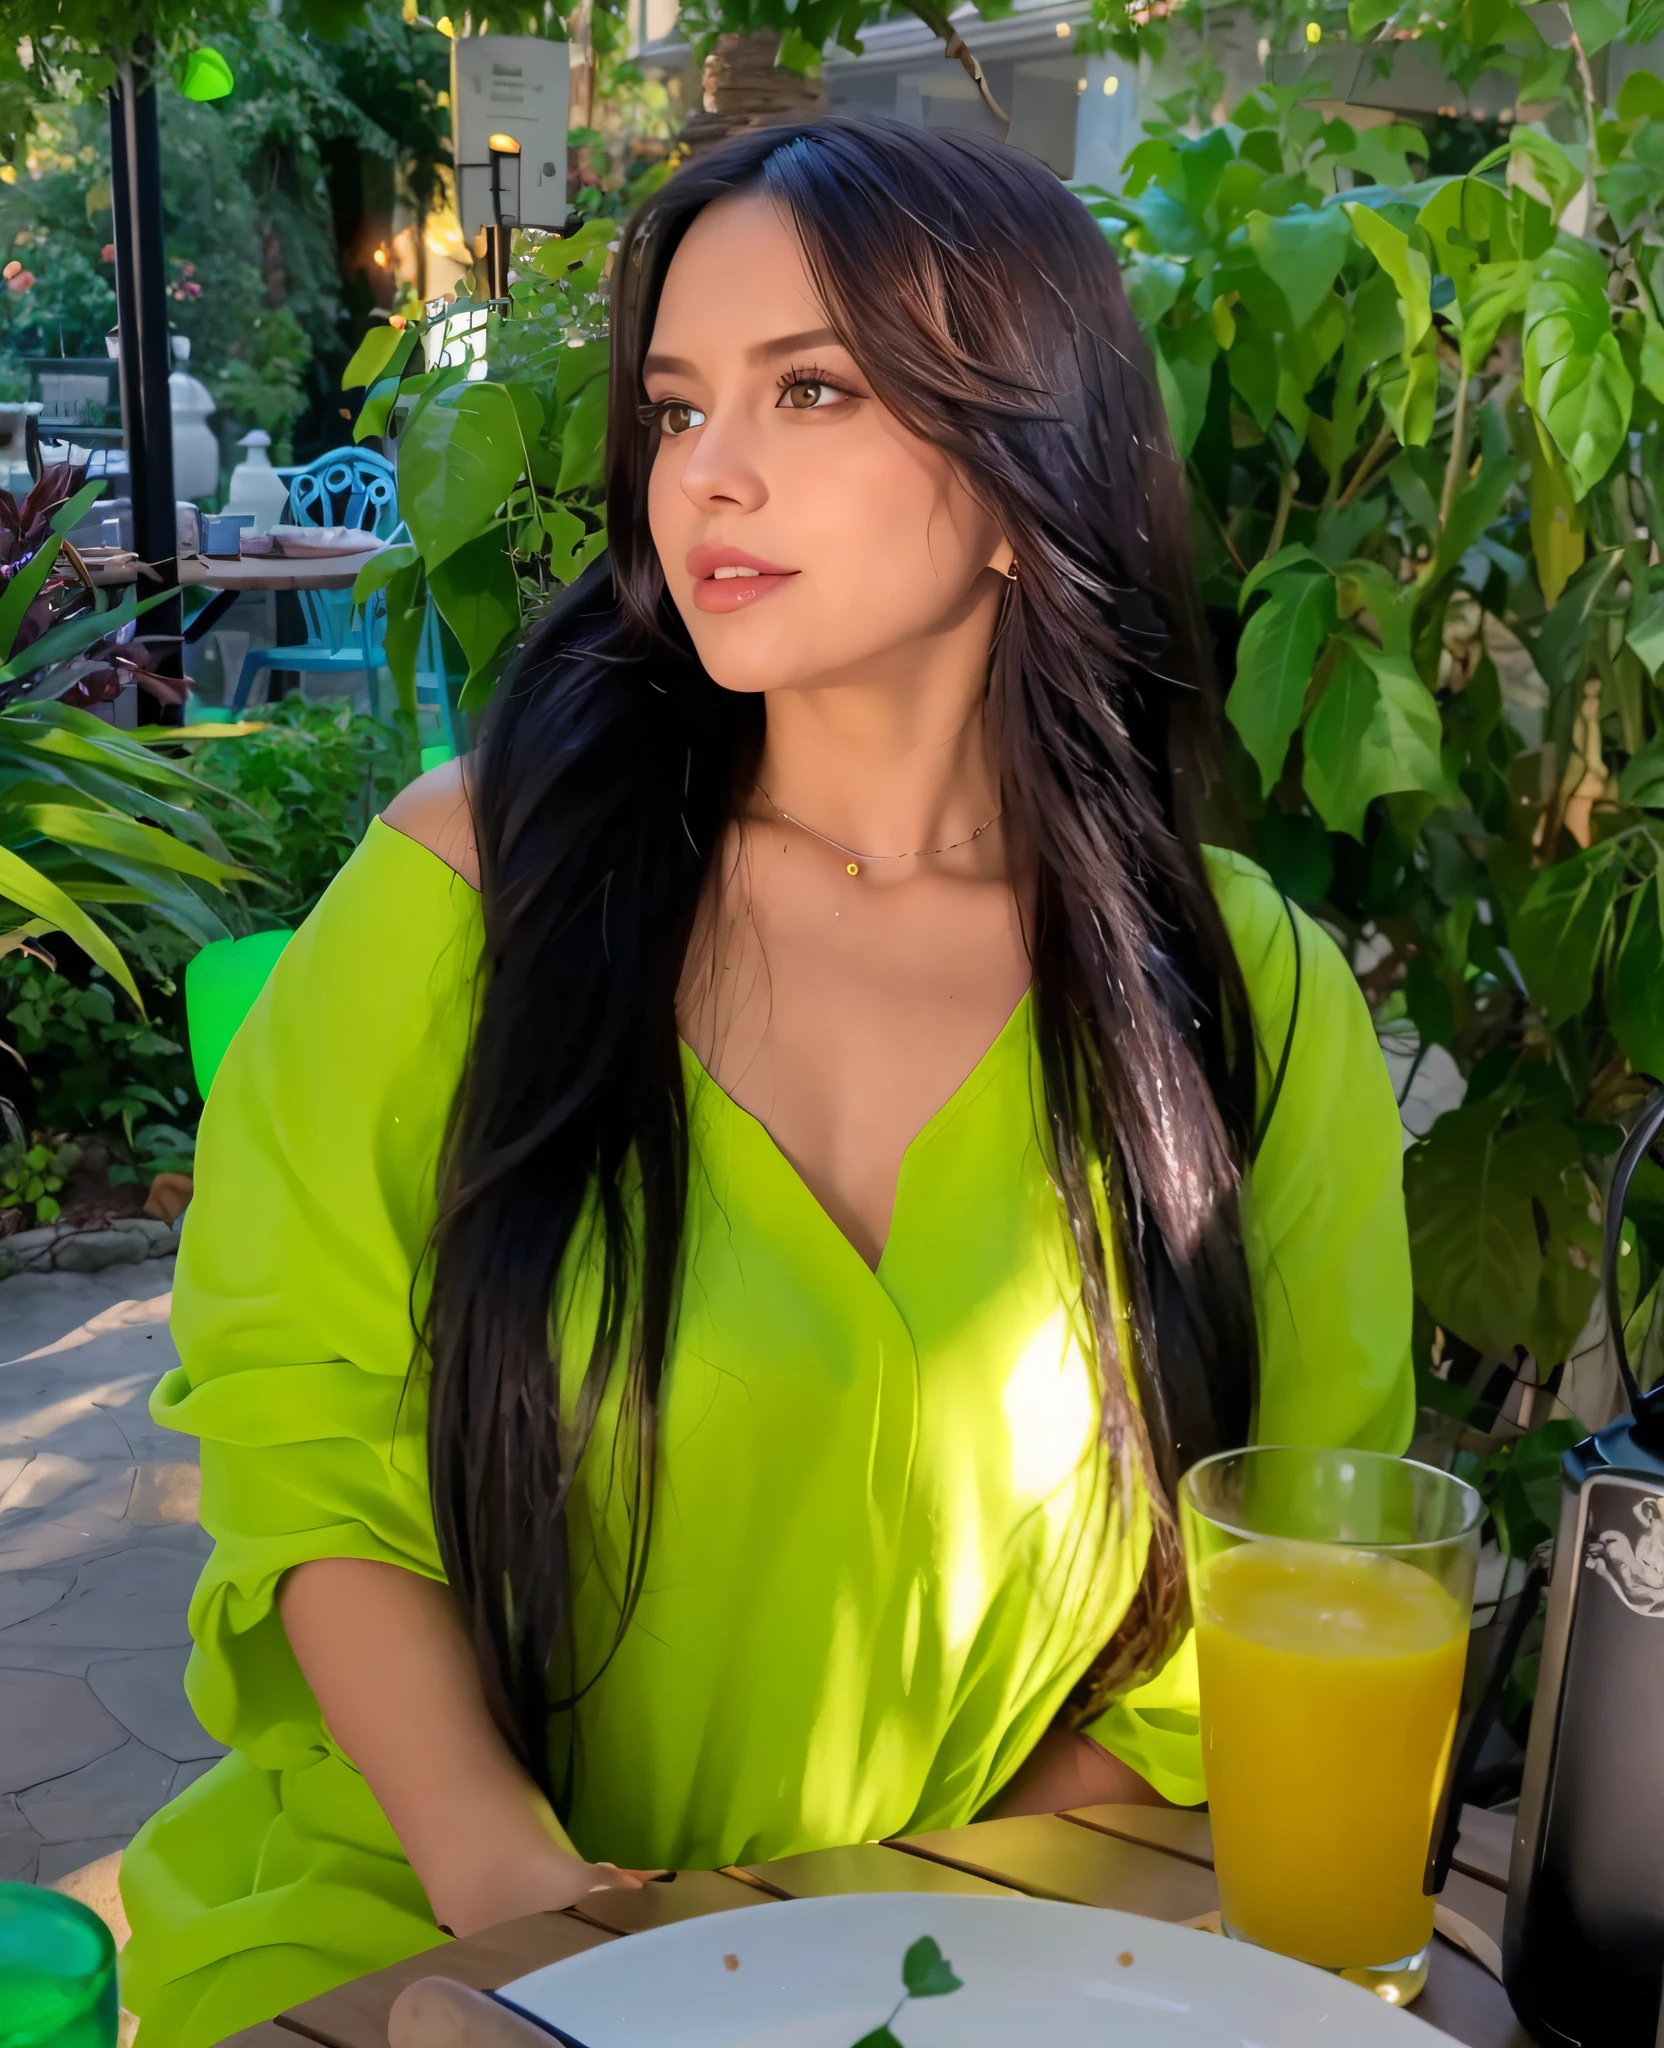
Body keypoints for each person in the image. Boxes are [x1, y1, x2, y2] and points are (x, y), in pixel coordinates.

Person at [119, 118, 1413, 2045]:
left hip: (957, 1951)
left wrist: (872, 1954)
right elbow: (307, 1456)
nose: (703, 475)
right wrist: (527, 1910)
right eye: (675, 404)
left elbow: (1283, 1555)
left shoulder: (1239, 999)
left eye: (808, 389)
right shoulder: (471, 894)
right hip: (425, 1918)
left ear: (1018, 471)